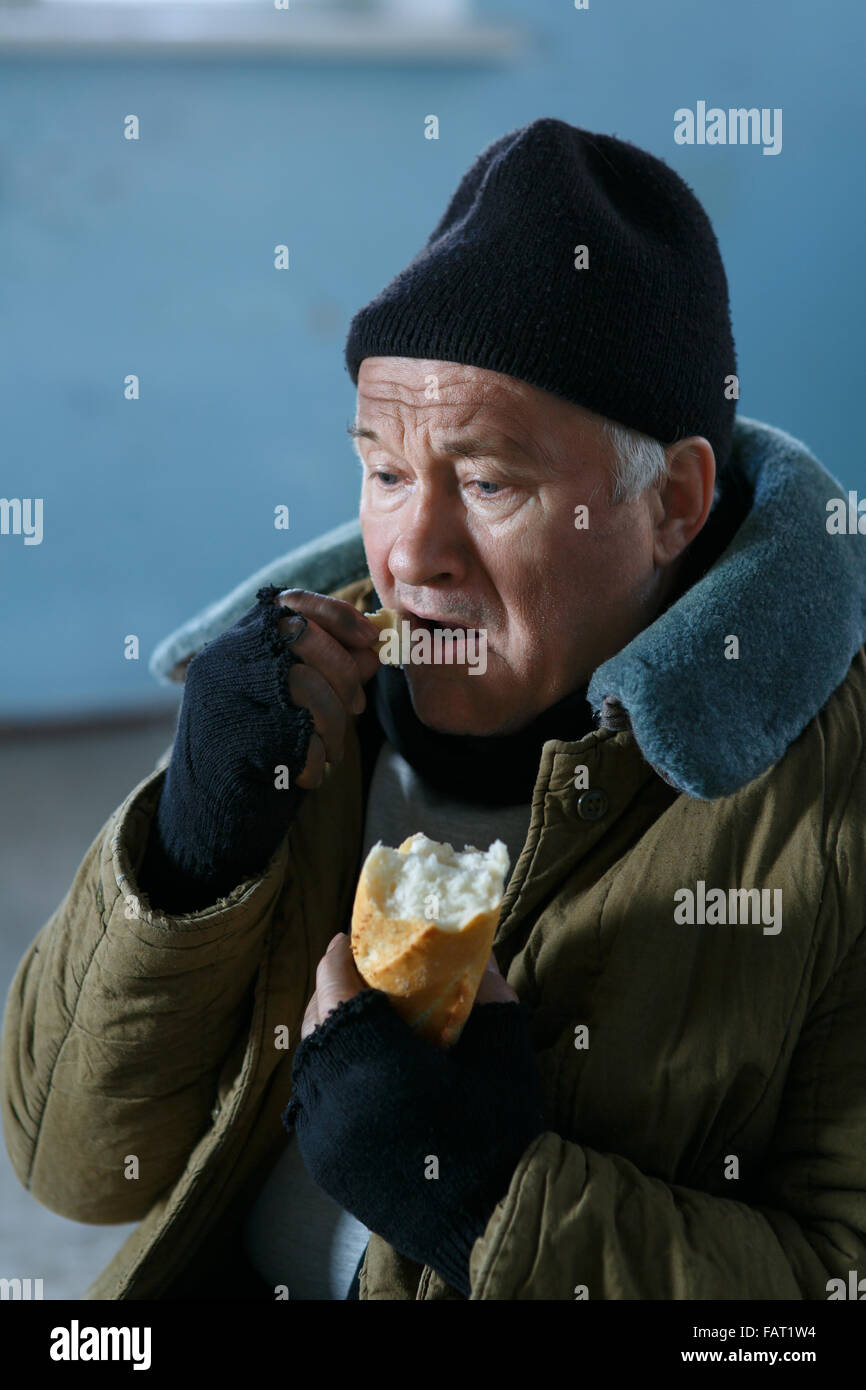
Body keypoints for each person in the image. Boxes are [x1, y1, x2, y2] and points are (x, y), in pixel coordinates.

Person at [4, 117, 866, 1302]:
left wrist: (487, 1202)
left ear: (670, 501)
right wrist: (190, 853)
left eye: (488, 480)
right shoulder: (297, 710)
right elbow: (71, 1170)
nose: (410, 553)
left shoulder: (832, 802)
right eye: (385, 470)